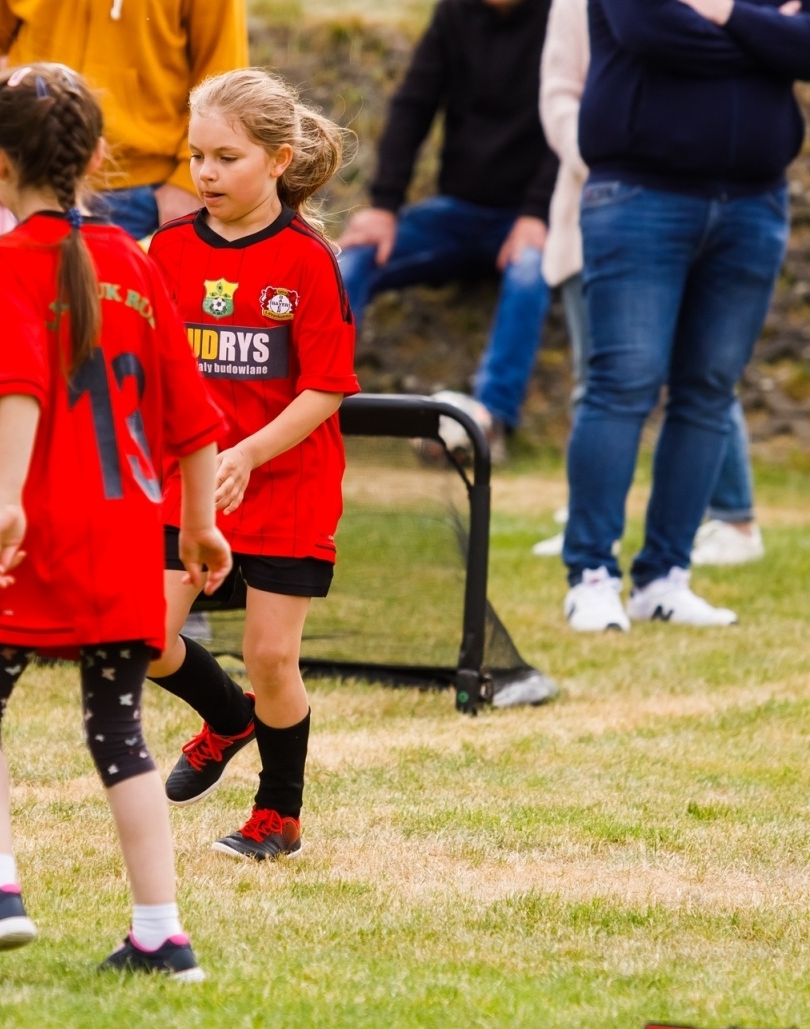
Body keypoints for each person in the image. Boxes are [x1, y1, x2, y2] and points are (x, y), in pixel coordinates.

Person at [0, 64, 231, 980]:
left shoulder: (3, 259)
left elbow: (12, 386)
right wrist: (200, 527)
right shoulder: (136, 260)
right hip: (131, 533)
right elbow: (191, 416)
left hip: (48, 523)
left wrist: (8, 499)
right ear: (100, 157)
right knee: (118, 725)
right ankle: (159, 931)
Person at [0, 0, 249, 588]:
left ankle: (169, 565)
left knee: (140, 381)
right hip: (22, 183)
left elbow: (222, 74)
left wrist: (189, 179)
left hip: (145, 197)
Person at [143, 70, 358, 860]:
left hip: (287, 483)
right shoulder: (165, 248)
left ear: (276, 159)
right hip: (190, 481)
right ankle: (228, 718)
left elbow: (328, 389)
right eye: (195, 156)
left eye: (225, 157)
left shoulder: (307, 261)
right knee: (145, 636)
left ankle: (279, 816)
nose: (204, 174)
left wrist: (247, 451)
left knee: (272, 656)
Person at [561, 0, 806, 631]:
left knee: (707, 389)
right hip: (641, 196)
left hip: (754, 202)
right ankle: (591, 575)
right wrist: (764, 39)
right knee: (624, 383)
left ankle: (664, 578)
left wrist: (722, 12)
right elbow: (653, 31)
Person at [533, 0, 767, 566]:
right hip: (612, 197)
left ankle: (731, 520)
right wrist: (605, 153)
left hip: (708, 192)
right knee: (612, 379)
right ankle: (593, 540)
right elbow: (561, 90)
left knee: (705, 378)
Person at [338, 0, 557, 451]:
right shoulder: (453, 14)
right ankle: (303, 401)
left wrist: (538, 213)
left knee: (529, 274)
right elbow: (413, 106)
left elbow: (575, 123)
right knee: (350, 260)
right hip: (454, 215)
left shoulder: (567, 17)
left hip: (530, 221)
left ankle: (489, 423)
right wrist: (384, 204)